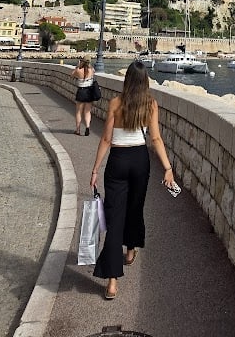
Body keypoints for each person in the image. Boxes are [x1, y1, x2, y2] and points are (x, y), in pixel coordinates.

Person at [90, 60, 176, 300]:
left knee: (115, 218)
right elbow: (156, 139)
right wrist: (167, 168)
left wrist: (95, 169)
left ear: (127, 80)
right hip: (140, 161)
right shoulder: (151, 104)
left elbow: (106, 139)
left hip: (117, 161)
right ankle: (130, 251)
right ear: (145, 81)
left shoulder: (116, 103)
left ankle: (112, 282)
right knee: (135, 209)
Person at [71, 57, 95, 135]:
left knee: (79, 112)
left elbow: (72, 75)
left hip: (81, 91)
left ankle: (78, 130)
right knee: (87, 112)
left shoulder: (78, 70)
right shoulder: (91, 70)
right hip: (89, 92)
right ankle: (87, 127)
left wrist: (78, 66)